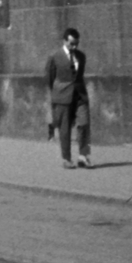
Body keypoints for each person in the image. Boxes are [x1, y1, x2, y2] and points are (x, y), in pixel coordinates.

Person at [47, 28, 91, 168]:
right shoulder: (55, 57)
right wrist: (57, 91)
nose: (74, 47)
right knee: (64, 128)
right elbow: (50, 78)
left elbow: (80, 75)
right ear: (64, 41)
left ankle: (83, 156)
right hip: (62, 96)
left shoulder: (81, 56)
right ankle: (66, 159)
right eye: (71, 43)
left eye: (76, 43)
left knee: (84, 123)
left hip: (79, 95)